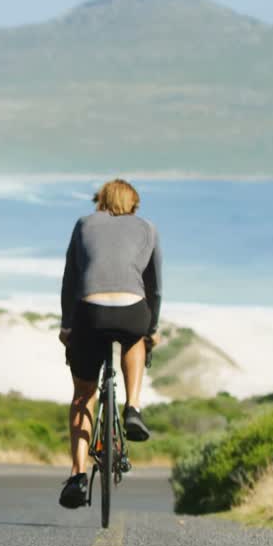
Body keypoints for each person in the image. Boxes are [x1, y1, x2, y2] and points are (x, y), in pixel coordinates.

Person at [57, 179, 162, 509]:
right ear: (134, 203)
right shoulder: (147, 228)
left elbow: (71, 279)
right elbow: (154, 287)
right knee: (136, 338)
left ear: (99, 200)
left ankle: (77, 474)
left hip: (90, 313)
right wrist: (153, 328)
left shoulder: (84, 224)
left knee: (82, 396)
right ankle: (133, 406)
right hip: (132, 310)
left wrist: (67, 325)